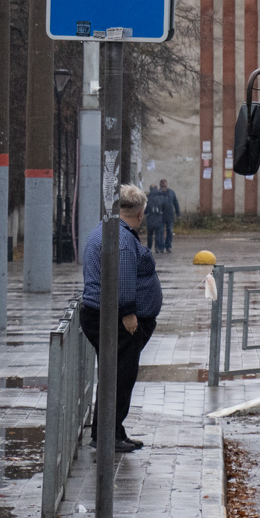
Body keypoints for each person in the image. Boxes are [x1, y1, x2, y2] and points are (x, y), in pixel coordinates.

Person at [80, 184, 163, 453]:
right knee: (120, 378)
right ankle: (107, 435)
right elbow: (123, 279)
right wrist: (129, 314)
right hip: (117, 319)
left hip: (100, 314)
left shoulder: (105, 229)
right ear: (140, 213)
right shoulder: (123, 240)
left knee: (112, 376)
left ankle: (112, 430)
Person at [154, 179, 179, 252]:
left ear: (167, 185)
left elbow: (175, 202)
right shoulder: (157, 193)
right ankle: (161, 246)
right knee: (160, 232)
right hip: (160, 216)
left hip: (169, 215)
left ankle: (168, 246)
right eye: (162, 186)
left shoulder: (171, 192)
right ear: (160, 186)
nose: (163, 188)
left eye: (164, 186)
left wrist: (178, 213)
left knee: (170, 231)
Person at [144, 182, 168, 255]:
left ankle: (149, 247)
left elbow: (145, 208)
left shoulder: (147, 197)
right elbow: (164, 206)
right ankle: (157, 247)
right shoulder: (161, 197)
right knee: (158, 234)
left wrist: (147, 213)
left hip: (150, 218)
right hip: (158, 218)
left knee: (150, 234)